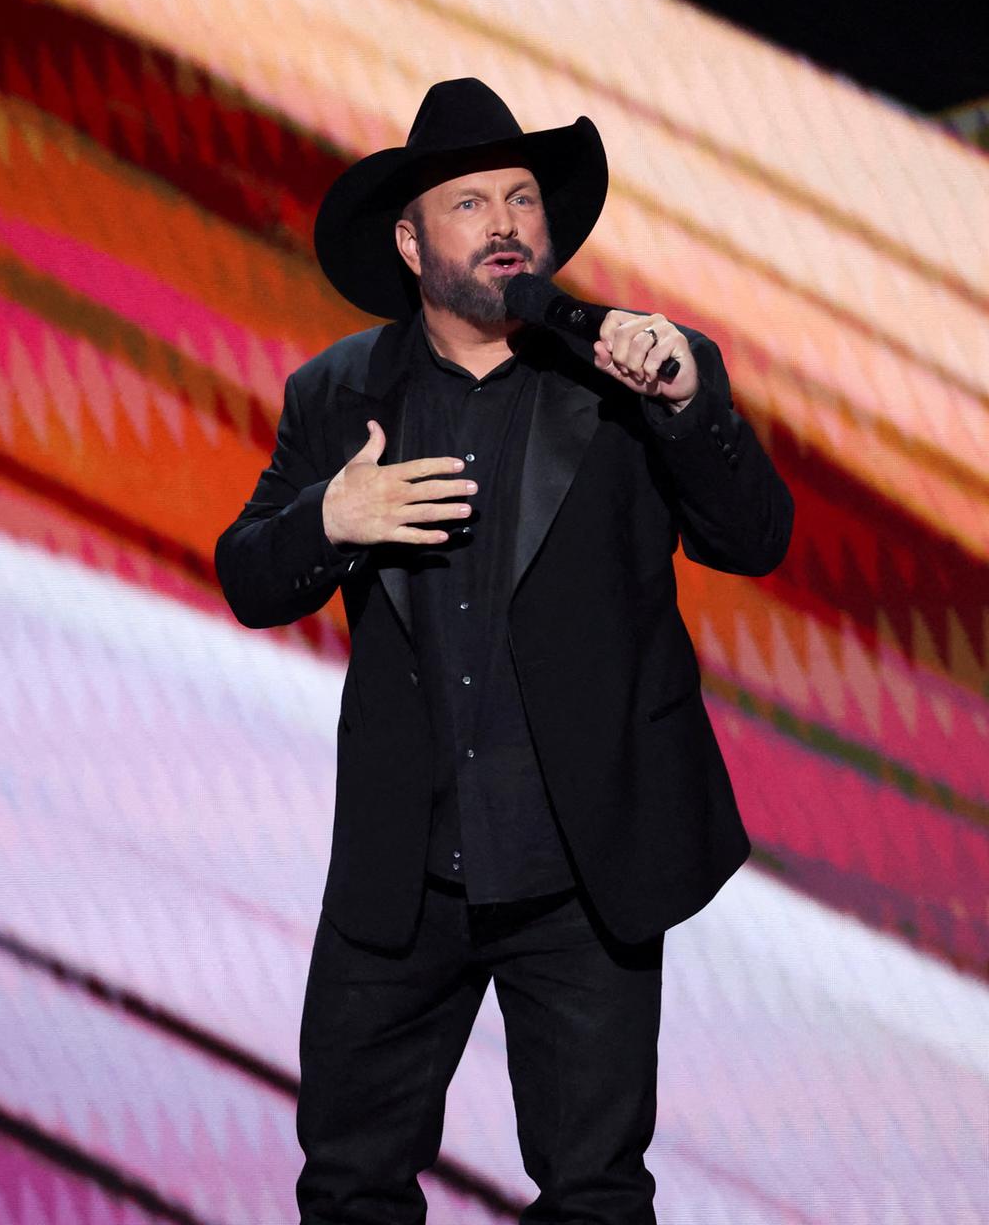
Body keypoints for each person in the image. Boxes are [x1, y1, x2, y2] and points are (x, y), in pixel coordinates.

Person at [215, 78, 793, 1225]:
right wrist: (331, 519)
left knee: (595, 1194)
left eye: (522, 198)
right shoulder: (337, 393)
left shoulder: (632, 375)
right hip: (404, 867)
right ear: (410, 238)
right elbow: (248, 575)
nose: (505, 223)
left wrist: (686, 403)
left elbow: (755, 537)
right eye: (470, 202)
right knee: (350, 1185)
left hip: (582, 869)